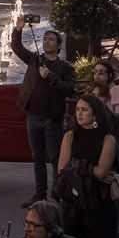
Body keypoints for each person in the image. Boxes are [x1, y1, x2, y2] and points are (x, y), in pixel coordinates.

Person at [57, 94, 119, 238]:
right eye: (77, 110)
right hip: (74, 202)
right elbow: (62, 169)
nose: (80, 113)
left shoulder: (107, 139)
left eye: (84, 109)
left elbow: (104, 171)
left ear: (95, 112)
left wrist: (79, 168)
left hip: (99, 203)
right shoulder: (70, 137)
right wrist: (89, 169)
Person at [11, 15, 76, 203]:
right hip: (33, 116)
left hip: (52, 119)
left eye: (51, 39)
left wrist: (50, 76)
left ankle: (56, 196)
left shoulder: (65, 67)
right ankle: (40, 195)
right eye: (45, 38)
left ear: (58, 45)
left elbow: (70, 88)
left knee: (55, 160)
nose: (47, 41)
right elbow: (17, 48)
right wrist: (18, 29)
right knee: (37, 158)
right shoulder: (35, 60)